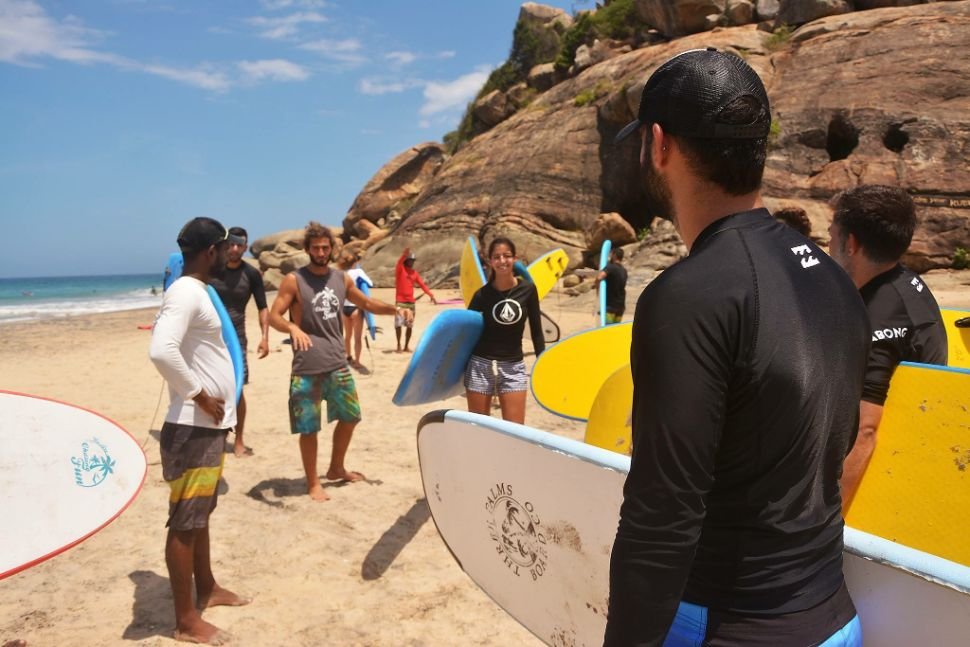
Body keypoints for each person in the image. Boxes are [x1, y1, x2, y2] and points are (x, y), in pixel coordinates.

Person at [605, 48, 870, 646]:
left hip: (729, 623)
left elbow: (662, 515)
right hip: (834, 616)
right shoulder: (834, 280)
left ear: (659, 144)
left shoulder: (689, 295)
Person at [149, 217, 249, 645]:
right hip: (192, 428)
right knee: (185, 523)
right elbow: (161, 350)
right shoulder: (186, 292)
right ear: (211, 251)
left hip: (207, 427)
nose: (230, 254)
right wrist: (200, 396)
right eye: (225, 248)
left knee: (200, 516)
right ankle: (186, 621)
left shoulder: (197, 291)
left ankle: (206, 587)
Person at [828, 184, 947, 512]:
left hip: (890, 482)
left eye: (831, 235)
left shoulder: (880, 316)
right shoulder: (898, 281)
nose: (828, 245)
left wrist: (827, 521)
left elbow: (865, 431)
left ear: (850, 244)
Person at [268, 222, 396, 502]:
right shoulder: (294, 280)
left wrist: (396, 310)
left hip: (338, 364)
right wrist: (292, 328)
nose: (321, 252)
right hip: (306, 367)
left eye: (325, 248)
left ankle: (336, 468)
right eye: (315, 248)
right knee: (308, 428)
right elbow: (274, 316)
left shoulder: (341, 279)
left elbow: (367, 304)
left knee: (351, 417)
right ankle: (313, 482)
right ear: (307, 249)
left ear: (331, 249)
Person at [464, 237, 545, 424]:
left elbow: (537, 331)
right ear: (490, 261)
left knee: (514, 431)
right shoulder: (481, 295)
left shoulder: (528, 290)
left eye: (507, 256)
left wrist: (542, 363)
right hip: (480, 365)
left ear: (515, 258)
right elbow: (466, 333)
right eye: (497, 257)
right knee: (479, 430)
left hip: (513, 367)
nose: (502, 261)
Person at [209, 226, 269, 457]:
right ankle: (216, 436)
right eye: (231, 244)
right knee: (212, 387)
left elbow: (263, 307)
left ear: (245, 247)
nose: (234, 249)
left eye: (239, 245)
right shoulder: (213, 268)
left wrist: (265, 337)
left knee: (237, 388)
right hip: (209, 338)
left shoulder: (251, 274)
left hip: (237, 340)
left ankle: (239, 440)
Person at [335, 250, 373, 370]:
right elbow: (370, 283)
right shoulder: (358, 272)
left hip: (344, 308)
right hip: (355, 308)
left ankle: (348, 357)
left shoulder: (340, 273)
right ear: (355, 262)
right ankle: (357, 362)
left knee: (347, 336)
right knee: (357, 338)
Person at [394, 247, 436, 352]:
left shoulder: (414, 273)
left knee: (409, 325)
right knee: (398, 324)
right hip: (400, 302)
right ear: (406, 260)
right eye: (410, 260)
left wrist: (431, 295)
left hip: (410, 303)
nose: (412, 262)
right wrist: (404, 254)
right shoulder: (400, 270)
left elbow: (422, 285)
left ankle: (406, 346)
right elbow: (399, 262)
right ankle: (398, 345)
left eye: (413, 261)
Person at [597, 245, 628, 323]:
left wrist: (597, 288)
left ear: (614, 255)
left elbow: (599, 277)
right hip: (620, 306)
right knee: (615, 328)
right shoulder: (624, 270)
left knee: (607, 328)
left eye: (611, 254)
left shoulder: (610, 267)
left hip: (610, 306)